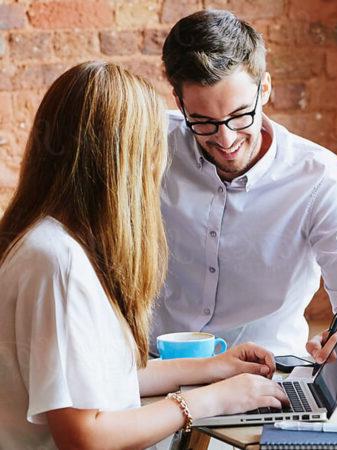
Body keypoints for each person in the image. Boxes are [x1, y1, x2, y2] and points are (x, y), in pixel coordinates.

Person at [0, 61, 287, 449]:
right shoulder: (57, 263)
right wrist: (210, 400)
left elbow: (97, 379)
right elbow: (84, 437)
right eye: (154, 146)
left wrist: (212, 368)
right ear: (122, 160)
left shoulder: (53, 243)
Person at [154, 9, 337, 362]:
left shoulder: (318, 178)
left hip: (266, 374)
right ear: (179, 102)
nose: (225, 139)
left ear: (265, 89)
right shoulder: (149, 147)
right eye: (202, 122)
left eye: (239, 116)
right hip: (158, 369)